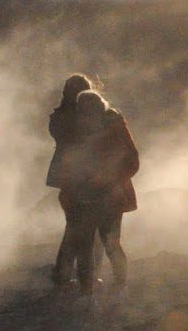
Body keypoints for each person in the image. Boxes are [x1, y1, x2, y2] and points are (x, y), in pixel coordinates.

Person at [53, 89, 139, 295]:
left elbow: (131, 161)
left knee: (106, 244)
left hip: (107, 195)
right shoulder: (77, 129)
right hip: (87, 194)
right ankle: (90, 289)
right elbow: (69, 163)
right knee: (91, 245)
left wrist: (109, 177)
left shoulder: (112, 126)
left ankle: (112, 286)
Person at [46, 74, 93, 287]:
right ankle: (73, 276)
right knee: (81, 227)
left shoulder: (58, 118)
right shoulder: (82, 119)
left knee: (73, 226)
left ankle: (63, 274)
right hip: (81, 179)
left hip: (66, 180)